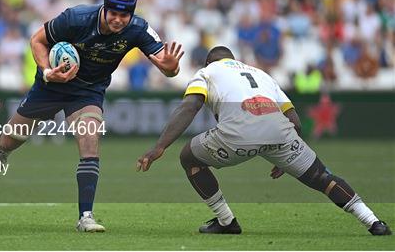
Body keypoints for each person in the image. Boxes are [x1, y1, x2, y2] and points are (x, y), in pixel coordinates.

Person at [0, 0, 184, 232]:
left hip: (88, 91)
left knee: (90, 140)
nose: (119, 20)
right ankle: (2, 152)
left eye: (125, 15)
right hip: (52, 85)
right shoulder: (75, 18)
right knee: (13, 137)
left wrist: (172, 67)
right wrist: (48, 72)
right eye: (114, 14)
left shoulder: (138, 28)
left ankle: (85, 216)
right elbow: (37, 40)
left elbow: (166, 66)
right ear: (104, 8)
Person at [137, 46, 391, 236]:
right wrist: (285, 157)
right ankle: (373, 222)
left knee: (188, 157)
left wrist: (159, 147)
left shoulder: (207, 72)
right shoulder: (262, 75)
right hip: (280, 132)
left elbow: (189, 107)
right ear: (234, 60)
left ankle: (226, 221)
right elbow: (295, 120)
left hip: (237, 134)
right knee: (322, 178)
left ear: (209, 62)